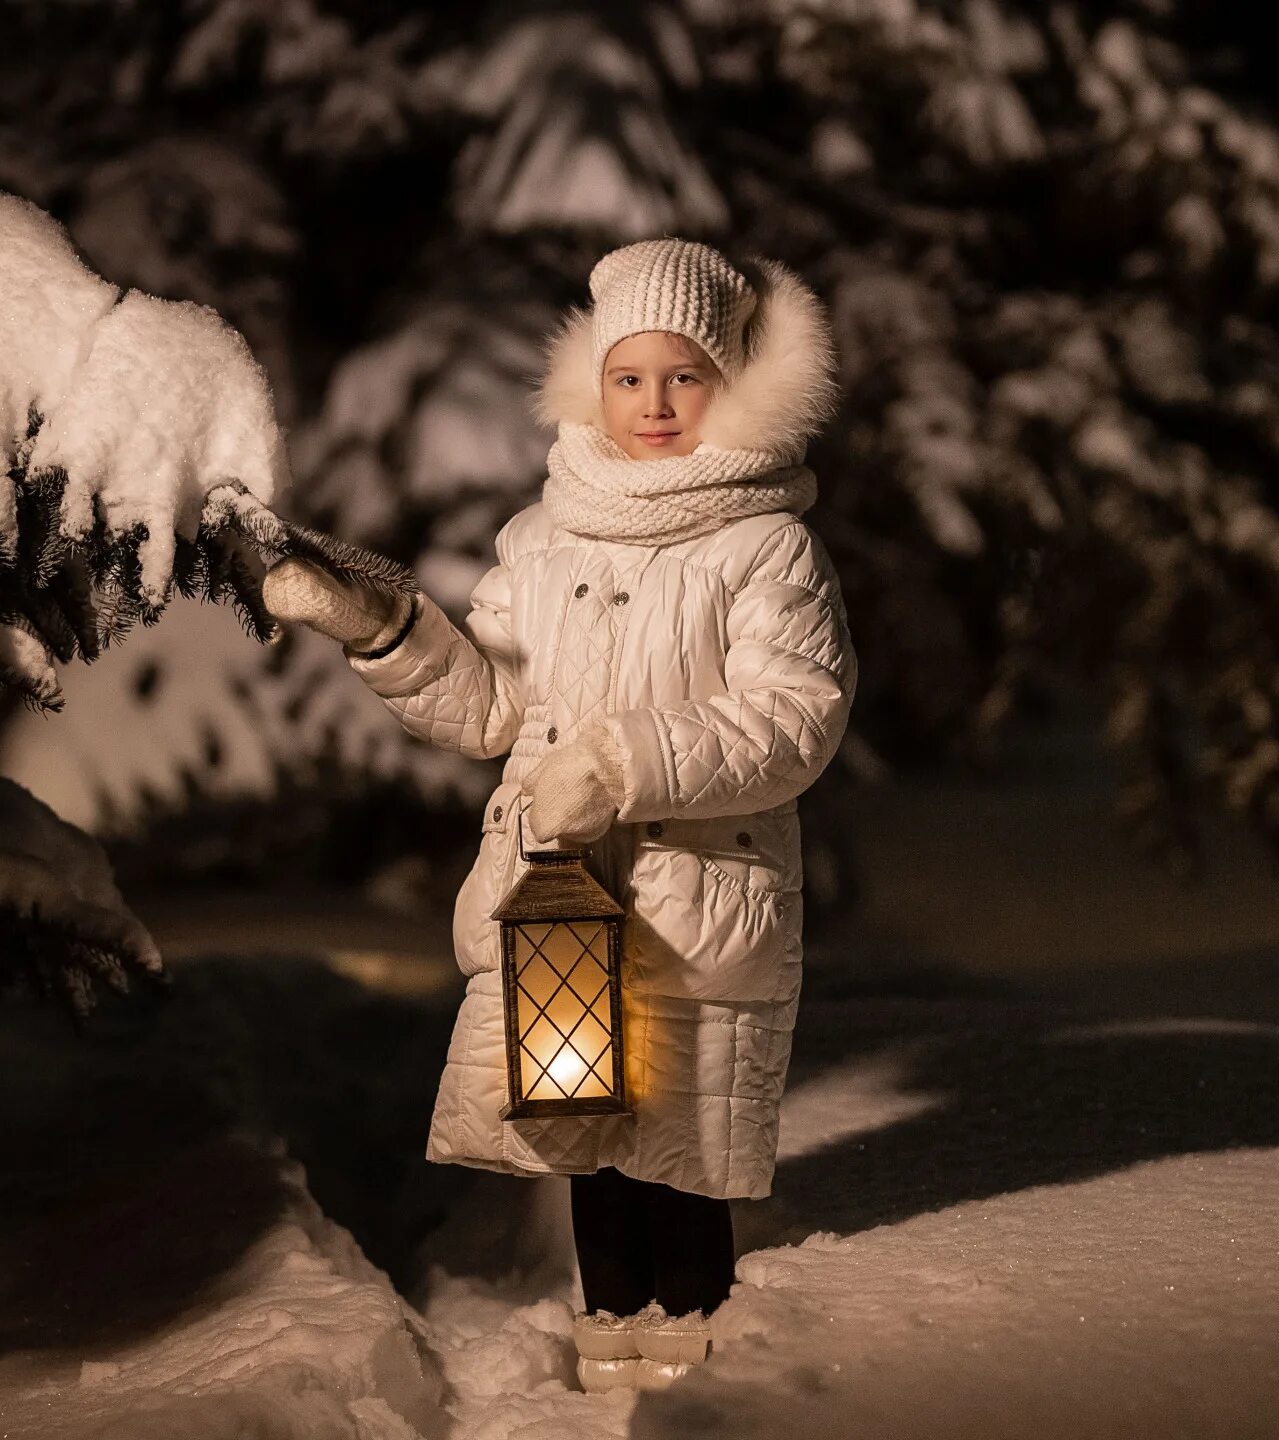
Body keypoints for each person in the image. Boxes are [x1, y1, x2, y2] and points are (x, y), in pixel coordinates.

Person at [262, 237, 856, 1392]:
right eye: (630, 377)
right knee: (588, 1129)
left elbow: (796, 717)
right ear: (594, 381)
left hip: (698, 900)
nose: (655, 404)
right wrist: (382, 633)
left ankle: (688, 1365)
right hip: (560, 895)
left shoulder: (764, 542)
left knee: (678, 1142)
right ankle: (608, 1347)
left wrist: (624, 760)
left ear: (728, 385)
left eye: (683, 376)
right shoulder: (544, 540)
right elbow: (489, 702)